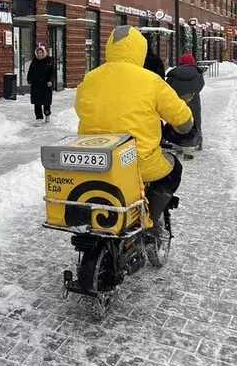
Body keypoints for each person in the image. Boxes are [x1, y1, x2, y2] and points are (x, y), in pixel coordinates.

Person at [75, 26, 195, 228]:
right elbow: (180, 116)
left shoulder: (90, 78)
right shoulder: (151, 80)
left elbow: (81, 109)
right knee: (174, 171)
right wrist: (186, 126)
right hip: (137, 160)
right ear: (140, 50)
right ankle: (148, 220)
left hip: (95, 158)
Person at [166, 53, 205, 151]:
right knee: (196, 120)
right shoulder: (197, 74)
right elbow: (201, 85)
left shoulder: (174, 74)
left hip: (177, 101)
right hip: (194, 101)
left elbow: (168, 86)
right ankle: (197, 141)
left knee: (178, 120)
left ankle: (178, 142)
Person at [27, 46, 54, 124]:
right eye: (38, 53)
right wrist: (30, 79)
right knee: (37, 102)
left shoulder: (48, 61)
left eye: (41, 53)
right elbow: (30, 72)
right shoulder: (34, 61)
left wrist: (50, 81)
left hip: (46, 85)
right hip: (36, 85)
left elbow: (52, 72)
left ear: (43, 53)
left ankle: (47, 114)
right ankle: (38, 117)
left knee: (46, 101)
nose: (39, 54)